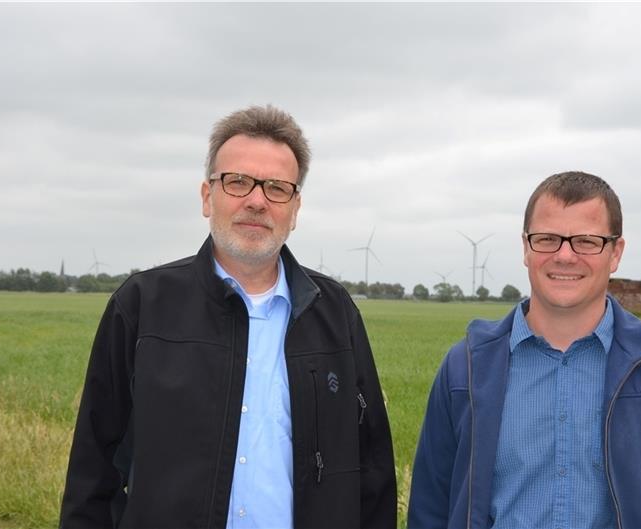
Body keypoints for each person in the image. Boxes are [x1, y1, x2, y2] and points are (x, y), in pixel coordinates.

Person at [60, 105, 396, 529]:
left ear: (295, 209)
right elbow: (94, 468)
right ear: (208, 196)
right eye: (237, 182)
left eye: (276, 188)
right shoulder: (142, 306)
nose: (256, 201)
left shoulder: (335, 314)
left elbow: (373, 469)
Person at [407, 171, 641, 529]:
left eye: (586, 241)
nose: (565, 256)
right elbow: (430, 509)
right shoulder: (466, 370)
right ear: (525, 248)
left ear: (615, 253)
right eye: (547, 239)